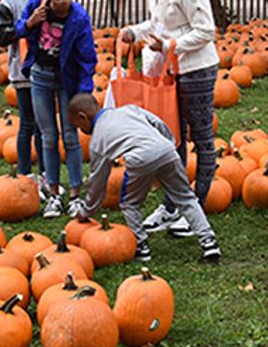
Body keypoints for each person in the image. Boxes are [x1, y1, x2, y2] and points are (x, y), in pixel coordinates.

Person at [118, 0, 220, 239]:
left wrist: (169, 46)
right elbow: (161, 24)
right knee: (172, 140)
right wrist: (135, 31)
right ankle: (172, 205)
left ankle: (196, 209)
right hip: (170, 71)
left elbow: (206, 30)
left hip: (196, 70)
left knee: (201, 141)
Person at [68, 93, 221, 264]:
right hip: (166, 150)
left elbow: (98, 182)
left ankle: (142, 246)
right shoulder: (127, 110)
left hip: (140, 158)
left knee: (129, 203)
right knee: (185, 197)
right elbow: (157, 122)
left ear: (82, 117)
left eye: (78, 126)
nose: (80, 130)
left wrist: (86, 211)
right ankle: (209, 242)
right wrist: (168, 143)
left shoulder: (97, 141)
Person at [16, 0, 97, 216]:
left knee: (71, 136)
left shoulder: (79, 17)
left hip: (67, 80)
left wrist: (83, 93)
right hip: (40, 75)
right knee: (48, 136)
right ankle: (53, 193)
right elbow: (17, 31)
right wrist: (31, 23)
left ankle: (74, 194)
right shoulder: (35, 6)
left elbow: (87, 58)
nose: (64, 2)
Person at [0, 0, 44, 192]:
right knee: (27, 124)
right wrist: (28, 24)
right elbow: (1, 36)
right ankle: (25, 171)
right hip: (22, 72)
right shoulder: (9, 2)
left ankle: (45, 173)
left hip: (45, 69)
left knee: (44, 125)